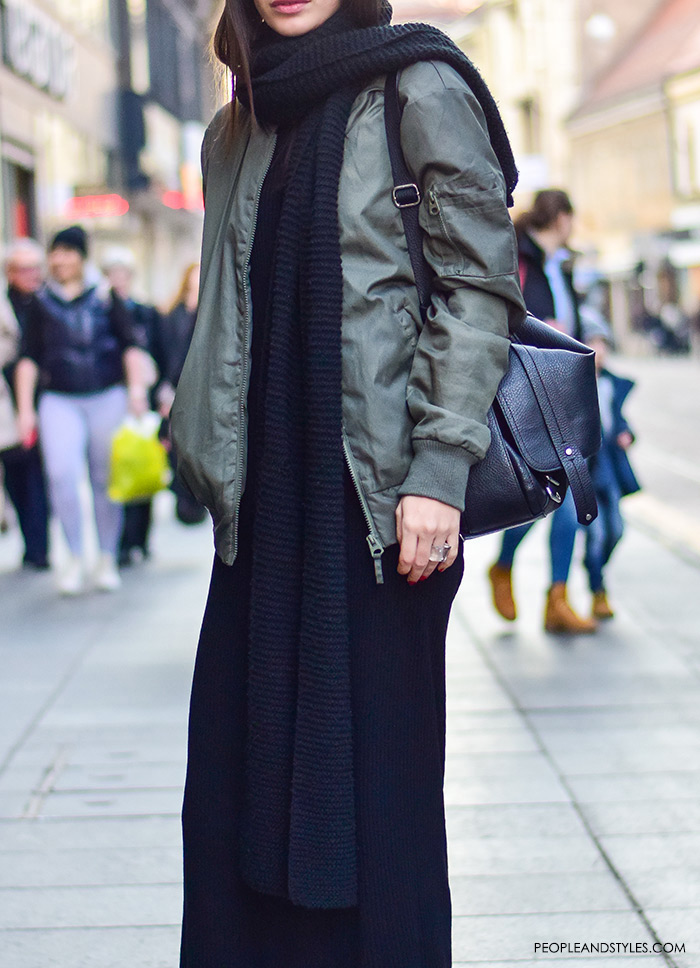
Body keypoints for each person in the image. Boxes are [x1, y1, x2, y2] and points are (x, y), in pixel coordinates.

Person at [170, 0, 526, 965]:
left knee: (381, 792)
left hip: (381, 505)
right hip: (261, 509)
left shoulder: (422, 83)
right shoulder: (237, 125)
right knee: (236, 789)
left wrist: (441, 472)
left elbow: (481, 287)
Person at [14, 226, 148, 595]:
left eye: (68, 252)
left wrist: (136, 391)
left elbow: (131, 347)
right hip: (59, 398)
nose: (60, 259)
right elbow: (27, 358)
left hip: (107, 395)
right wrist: (25, 410)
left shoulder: (105, 296)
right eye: (55, 252)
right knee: (60, 475)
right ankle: (72, 556)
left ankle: (106, 556)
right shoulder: (40, 303)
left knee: (106, 479)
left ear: (81, 256)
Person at [487, 189, 597, 634]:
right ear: (561, 217)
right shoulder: (520, 254)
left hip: (561, 391)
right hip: (530, 394)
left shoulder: (560, 264)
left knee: (561, 497)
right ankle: (511, 569)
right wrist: (541, 327)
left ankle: (556, 597)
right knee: (547, 496)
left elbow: (579, 320)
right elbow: (505, 312)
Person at [102, 246, 164, 565]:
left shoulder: (146, 311)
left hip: (145, 397)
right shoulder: (102, 311)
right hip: (114, 396)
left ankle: (142, 536)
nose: (118, 280)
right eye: (112, 274)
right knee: (123, 464)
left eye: (122, 274)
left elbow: (161, 350)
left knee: (145, 464)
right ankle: (124, 541)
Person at [580, 314, 640, 619]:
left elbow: (618, 421)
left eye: (602, 343)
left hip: (611, 470)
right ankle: (598, 589)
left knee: (616, 530)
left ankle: (594, 571)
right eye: (592, 343)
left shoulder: (612, 384)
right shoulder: (574, 382)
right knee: (597, 534)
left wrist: (627, 434)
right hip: (585, 474)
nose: (598, 350)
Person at [1, 239, 50, 569]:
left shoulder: (50, 301)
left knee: (45, 473)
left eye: (36, 267)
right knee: (21, 470)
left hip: (49, 396)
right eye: (23, 268)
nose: (31, 274)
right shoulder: (5, 305)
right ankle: (35, 546)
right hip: (9, 401)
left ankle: (39, 545)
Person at [157, 263, 206, 526]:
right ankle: (183, 499)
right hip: (173, 388)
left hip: (199, 391)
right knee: (175, 445)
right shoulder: (170, 314)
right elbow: (164, 353)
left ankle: (195, 501)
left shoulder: (210, 314)